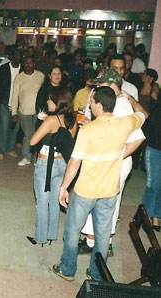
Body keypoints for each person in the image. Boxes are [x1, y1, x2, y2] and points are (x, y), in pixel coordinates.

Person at [52, 86, 147, 282]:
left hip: (86, 190)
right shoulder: (125, 123)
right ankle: (97, 274)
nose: (90, 104)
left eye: (92, 101)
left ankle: (67, 269)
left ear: (99, 105)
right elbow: (143, 113)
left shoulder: (88, 130)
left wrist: (63, 187)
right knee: (103, 235)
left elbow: (74, 163)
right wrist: (129, 98)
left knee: (72, 230)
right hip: (110, 191)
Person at [78, 70, 146, 257]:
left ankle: (103, 244)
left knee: (109, 203)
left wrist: (117, 156)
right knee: (100, 200)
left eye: (100, 84)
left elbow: (138, 138)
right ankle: (93, 240)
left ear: (112, 85)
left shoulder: (122, 106)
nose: (96, 87)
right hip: (106, 162)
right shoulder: (111, 102)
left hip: (116, 164)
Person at [27, 87, 77, 246]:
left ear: (57, 103)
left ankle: (40, 237)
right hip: (63, 162)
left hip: (45, 164)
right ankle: (51, 235)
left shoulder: (51, 120)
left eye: (50, 100)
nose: (47, 101)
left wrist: (43, 124)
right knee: (56, 199)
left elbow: (33, 141)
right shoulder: (73, 120)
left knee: (42, 201)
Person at [11, 56, 45, 166]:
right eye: (25, 63)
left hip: (39, 112)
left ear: (34, 64)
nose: (28, 65)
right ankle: (26, 156)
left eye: (30, 63)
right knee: (28, 135)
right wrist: (14, 112)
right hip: (24, 112)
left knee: (39, 135)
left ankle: (37, 157)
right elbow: (14, 95)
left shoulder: (40, 76)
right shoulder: (19, 78)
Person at [0, 48, 21, 160]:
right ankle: (1, 150)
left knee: (14, 127)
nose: (19, 57)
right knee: (4, 127)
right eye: (16, 55)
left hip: (19, 104)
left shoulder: (23, 70)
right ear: (11, 56)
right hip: (5, 102)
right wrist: (3, 101)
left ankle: (10, 148)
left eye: (20, 55)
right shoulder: (4, 69)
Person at [142, 91, 161, 231]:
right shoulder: (157, 111)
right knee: (152, 186)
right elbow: (146, 130)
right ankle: (144, 217)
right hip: (154, 151)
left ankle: (156, 217)